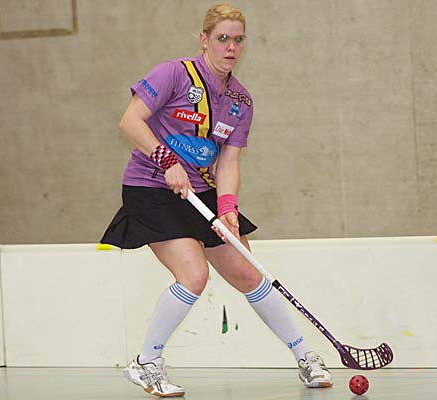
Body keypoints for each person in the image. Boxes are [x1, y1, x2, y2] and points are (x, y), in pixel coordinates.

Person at [101, 4, 333, 398]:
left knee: (249, 273)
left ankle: (305, 357)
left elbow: (228, 161)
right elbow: (130, 121)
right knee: (194, 276)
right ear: (204, 39)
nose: (231, 47)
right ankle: (146, 362)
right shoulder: (173, 74)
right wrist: (166, 160)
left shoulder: (241, 100)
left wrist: (227, 207)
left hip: (201, 191)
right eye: (222, 38)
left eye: (238, 40)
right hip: (151, 187)